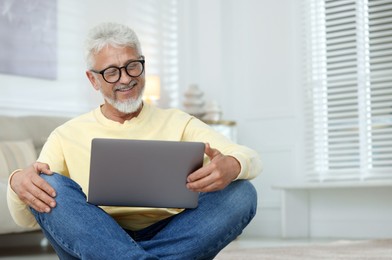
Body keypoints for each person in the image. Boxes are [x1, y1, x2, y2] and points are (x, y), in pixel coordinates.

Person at [7, 22, 262, 260]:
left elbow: (249, 157)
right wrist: (17, 181)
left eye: (132, 66)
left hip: (174, 233)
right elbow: (29, 220)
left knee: (241, 193)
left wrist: (232, 165)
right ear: (93, 79)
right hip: (94, 235)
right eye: (111, 72)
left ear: (143, 65)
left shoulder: (179, 122)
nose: (126, 78)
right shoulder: (66, 135)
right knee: (49, 183)